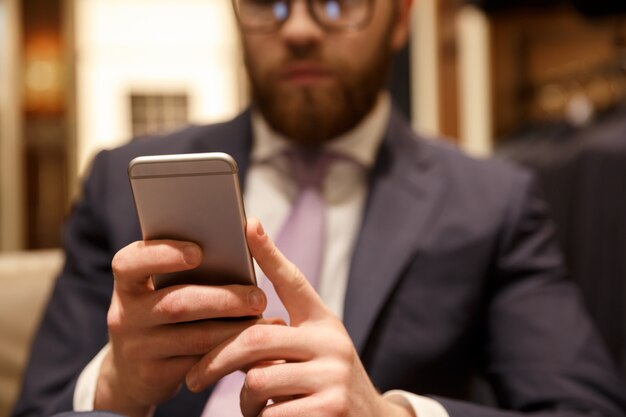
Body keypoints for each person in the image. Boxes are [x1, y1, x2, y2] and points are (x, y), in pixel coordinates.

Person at [11, 0, 626, 416]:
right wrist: (115, 387)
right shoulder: (120, 183)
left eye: (337, 1)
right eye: (268, 2)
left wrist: (390, 415)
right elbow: (41, 404)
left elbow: (585, 407)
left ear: (402, 18)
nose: (299, 28)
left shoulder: (493, 202)